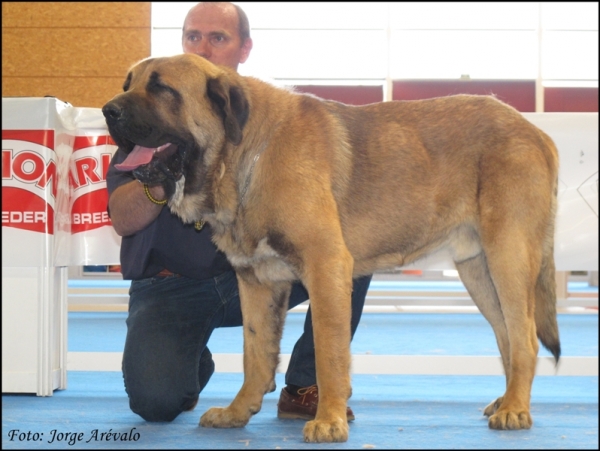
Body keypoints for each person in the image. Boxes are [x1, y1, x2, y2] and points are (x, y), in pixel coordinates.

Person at [106, 1, 372, 424]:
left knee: (346, 252)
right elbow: (122, 219)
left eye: (218, 38)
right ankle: (188, 355)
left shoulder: (272, 116)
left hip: (248, 273)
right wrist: (158, 172)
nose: (204, 48)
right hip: (174, 287)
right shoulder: (156, 119)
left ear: (244, 49)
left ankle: (305, 384)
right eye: (193, 36)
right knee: (156, 402)